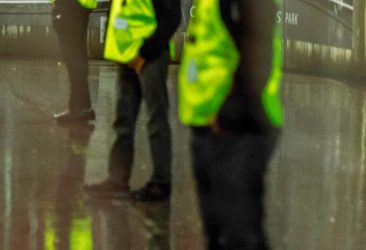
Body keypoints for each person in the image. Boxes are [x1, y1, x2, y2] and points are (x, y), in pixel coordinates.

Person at [178, 0, 283, 249]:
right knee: (218, 233)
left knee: (239, 236)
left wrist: (228, 114)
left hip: (237, 129)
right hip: (208, 124)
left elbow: (258, 52)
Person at [84, 0, 181, 201]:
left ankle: (161, 182)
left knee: (156, 118)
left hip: (149, 56)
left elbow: (171, 18)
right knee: (123, 120)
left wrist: (144, 53)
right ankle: (117, 180)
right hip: (126, 55)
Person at [51, 0, 97, 125]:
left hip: (69, 7)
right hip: (79, 7)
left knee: (73, 59)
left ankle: (78, 108)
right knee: (78, 56)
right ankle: (83, 107)